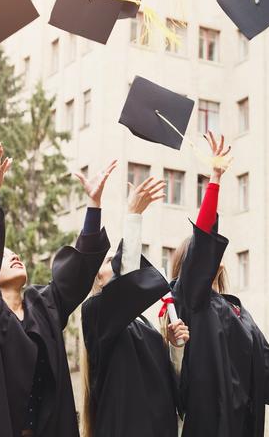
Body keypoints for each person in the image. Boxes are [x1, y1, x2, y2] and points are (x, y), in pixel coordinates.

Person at [0, 159, 116, 437]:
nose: (15, 256)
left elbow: (77, 272)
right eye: (3, 256)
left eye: (15, 254)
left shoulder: (43, 305)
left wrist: (94, 204)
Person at [171, 132, 269, 437]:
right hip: (208, 422)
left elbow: (268, 361)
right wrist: (215, 180)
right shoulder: (191, 299)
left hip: (244, 423)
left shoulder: (237, 311)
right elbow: (204, 237)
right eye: (198, 254)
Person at [81, 176, 189, 437]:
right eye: (109, 262)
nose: (116, 263)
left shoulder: (143, 323)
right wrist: (133, 217)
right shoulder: (95, 314)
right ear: (97, 278)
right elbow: (126, 284)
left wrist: (175, 347)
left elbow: (173, 386)